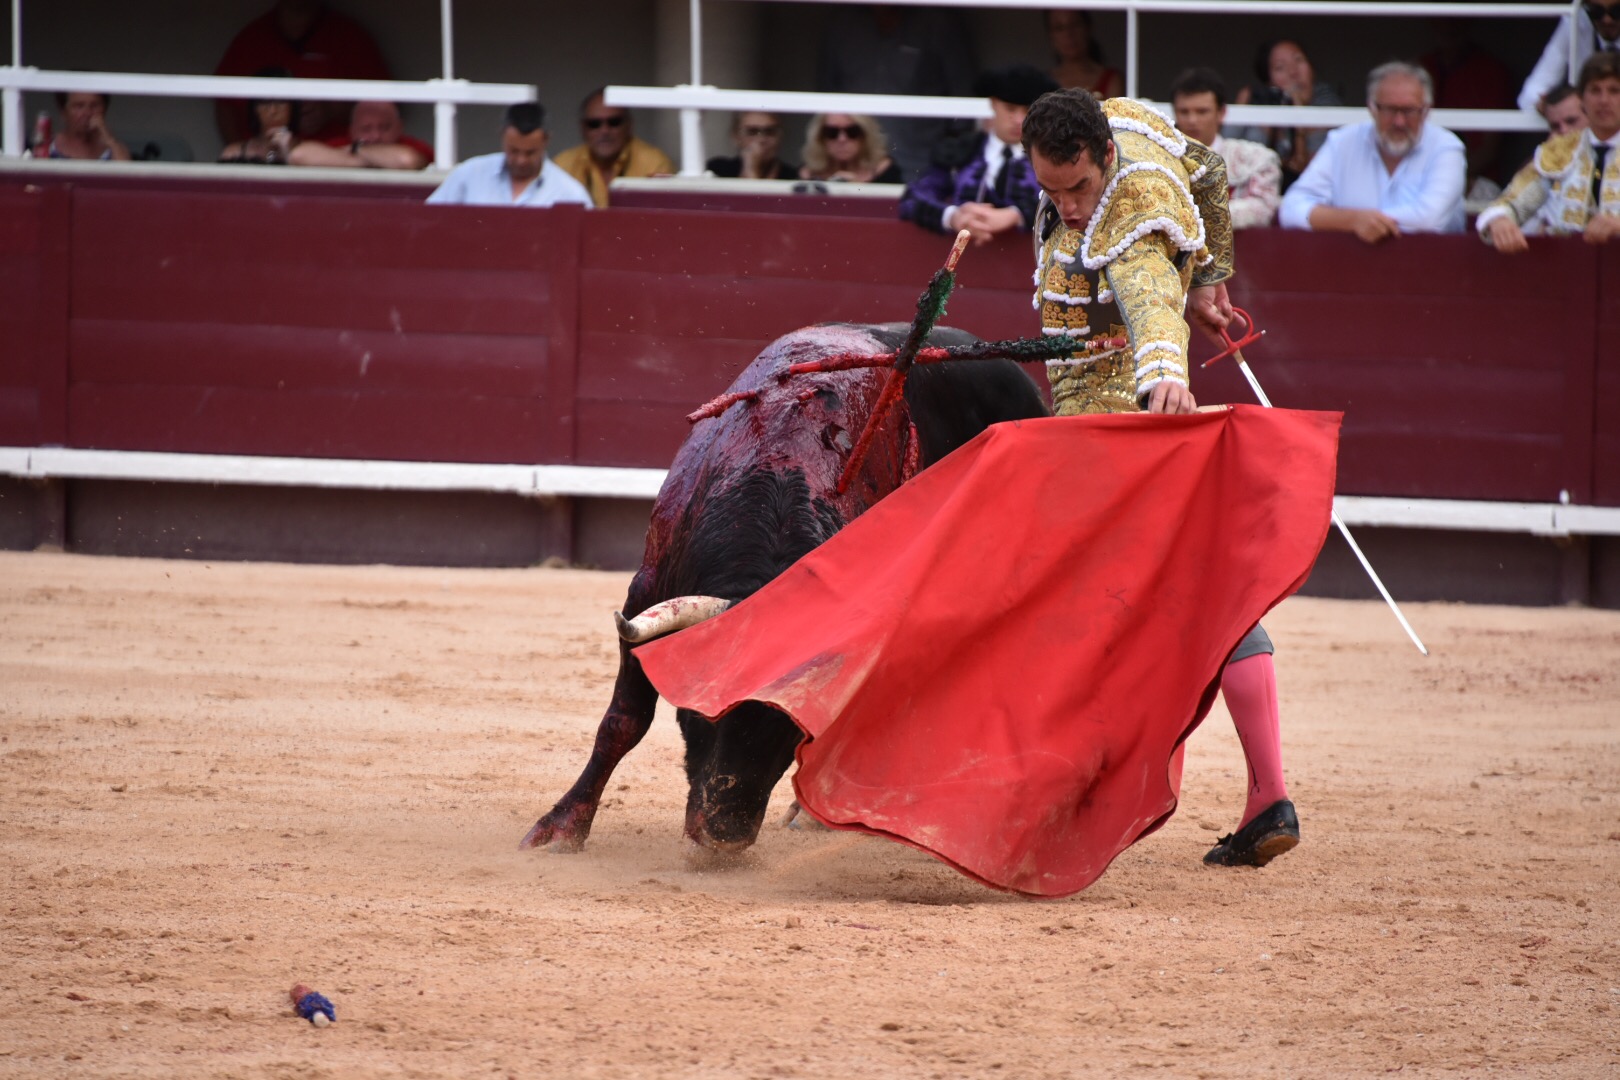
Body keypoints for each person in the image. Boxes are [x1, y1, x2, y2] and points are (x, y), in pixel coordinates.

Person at [1023, 88, 1300, 868]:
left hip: (1108, 429)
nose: (1070, 207)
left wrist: (1164, 374)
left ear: (1105, 157)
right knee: (1213, 593)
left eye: (1079, 186)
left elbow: (1147, 295)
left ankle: (1067, 792)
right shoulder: (1130, 123)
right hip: (1128, 424)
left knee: (1071, 608)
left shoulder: (1130, 210)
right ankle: (1270, 796)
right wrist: (1209, 275)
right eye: (1051, 190)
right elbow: (1207, 170)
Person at [1278, 62, 1467, 243]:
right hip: (1350, 263)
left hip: (1427, 263)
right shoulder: (1342, 142)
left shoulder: (1445, 147)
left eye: (1409, 111)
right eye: (1390, 110)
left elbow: (1429, 220)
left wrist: (1357, 220)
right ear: (1372, 108)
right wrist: (1352, 221)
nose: (1399, 122)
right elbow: (1291, 209)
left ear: (1426, 111)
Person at [815, 4, 976, 182]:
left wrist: (948, 163)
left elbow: (964, 101)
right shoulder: (842, 23)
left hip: (920, 168)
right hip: (857, 173)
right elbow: (826, 99)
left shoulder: (939, 23)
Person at [898, 64, 1057, 244]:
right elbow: (914, 197)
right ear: (993, 104)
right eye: (1010, 109)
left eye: (1028, 110)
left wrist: (1017, 215)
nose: (1019, 120)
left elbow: (1068, 203)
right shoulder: (960, 151)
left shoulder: (1053, 156)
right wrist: (953, 216)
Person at [1478, 52, 1620, 251]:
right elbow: (1512, 202)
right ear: (1582, 99)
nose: (1604, 100)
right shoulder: (1559, 150)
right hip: (1570, 266)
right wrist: (1500, 219)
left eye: (1614, 91)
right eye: (1595, 91)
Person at [214, 0, 391, 144]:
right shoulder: (251, 39)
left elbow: (386, 105)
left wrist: (331, 111)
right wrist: (244, 157)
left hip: (333, 161)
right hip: (268, 164)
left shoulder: (350, 37)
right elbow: (224, 104)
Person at [1170, 67, 1282, 228]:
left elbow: (1263, 209)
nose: (1192, 120)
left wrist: (1196, 216)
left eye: (1202, 112)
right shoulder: (1158, 159)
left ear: (1221, 113)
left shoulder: (1256, 159)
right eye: (1184, 112)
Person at [426, 103, 593, 209]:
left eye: (530, 152)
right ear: (502, 137)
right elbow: (429, 219)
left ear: (546, 141)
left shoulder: (570, 193)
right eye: (514, 151)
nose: (521, 160)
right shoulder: (469, 174)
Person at [1233, 39, 1342, 188]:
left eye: (1299, 60)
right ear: (1269, 83)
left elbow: (1312, 172)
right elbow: (1226, 157)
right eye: (1280, 68)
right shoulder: (1258, 103)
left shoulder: (1327, 100)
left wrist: (1298, 114)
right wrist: (1242, 107)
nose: (1293, 72)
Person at [551, 89, 673, 208]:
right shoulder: (563, 165)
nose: (604, 131)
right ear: (583, 128)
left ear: (629, 125)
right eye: (594, 124)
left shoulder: (653, 163)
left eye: (614, 122)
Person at [1517, 1, 1620, 113]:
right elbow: (1530, 95)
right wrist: (1548, 105)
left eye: (1617, 10)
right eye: (1596, 11)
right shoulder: (1575, 20)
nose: (1607, 19)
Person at [287, 100, 431, 170]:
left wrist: (355, 151)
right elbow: (299, 155)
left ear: (400, 127)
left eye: (385, 128)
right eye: (366, 129)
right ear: (352, 130)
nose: (375, 136)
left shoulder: (413, 145)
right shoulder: (342, 142)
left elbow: (408, 160)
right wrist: (373, 159)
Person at [218, 69, 299, 164]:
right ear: (254, 108)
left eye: (281, 101)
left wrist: (286, 152)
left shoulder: (310, 152)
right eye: (264, 102)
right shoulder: (233, 153)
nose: (273, 111)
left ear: (292, 106)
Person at [799, 113, 903, 184]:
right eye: (832, 132)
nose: (842, 139)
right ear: (820, 137)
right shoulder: (807, 174)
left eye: (852, 132)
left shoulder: (886, 171)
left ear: (865, 136)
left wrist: (859, 190)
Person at [1046, 9, 1124, 99]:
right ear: (1051, 35)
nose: (1068, 34)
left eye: (1074, 25)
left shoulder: (1112, 80)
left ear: (1087, 28)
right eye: (1059, 28)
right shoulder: (1043, 81)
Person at [39, 92, 131, 162]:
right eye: (79, 106)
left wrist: (108, 138)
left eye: (94, 106)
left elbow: (127, 174)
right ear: (64, 111)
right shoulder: (48, 147)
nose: (87, 113)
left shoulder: (113, 149)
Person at [705, 112, 797, 179]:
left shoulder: (793, 176)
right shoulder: (718, 170)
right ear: (736, 136)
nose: (761, 139)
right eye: (752, 132)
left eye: (769, 132)